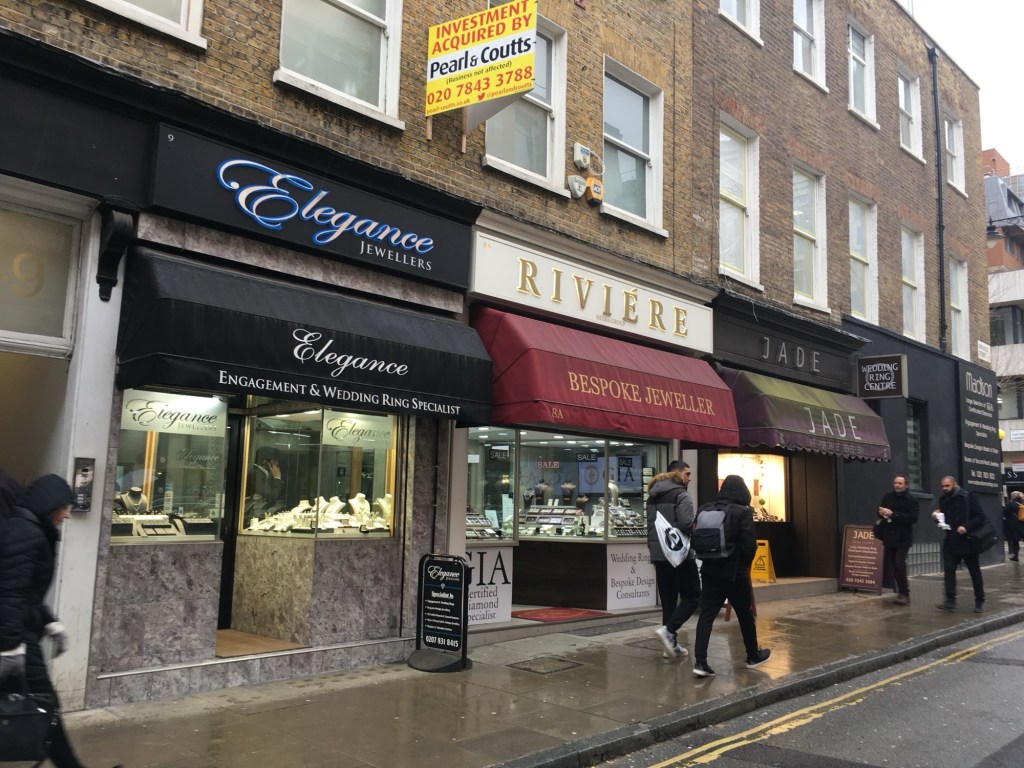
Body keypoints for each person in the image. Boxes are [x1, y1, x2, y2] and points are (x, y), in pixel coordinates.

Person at [0, 471, 123, 768]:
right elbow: (10, 594)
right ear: (49, 505)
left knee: (40, 707)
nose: (67, 514)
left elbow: (27, 594)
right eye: (64, 507)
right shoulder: (25, 532)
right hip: (17, 640)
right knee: (44, 706)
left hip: (21, 633)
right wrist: (10, 647)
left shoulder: (31, 528)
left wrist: (48, 621)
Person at [691, 475, 771, 677]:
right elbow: (749, 545)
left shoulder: (705, 508)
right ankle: (752, 655)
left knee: (707, 615)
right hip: (735, 573)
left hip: (709, 570)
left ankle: (700, 662)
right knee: (745, 614)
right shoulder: (742, 512)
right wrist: (744, 565)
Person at [645, 460, 700, 659]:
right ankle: (669, 631)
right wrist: (697, 524)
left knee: (668, 600)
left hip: (660, 555)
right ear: (677, 474)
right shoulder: (681, 495)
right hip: (679, 554)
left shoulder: (652, 496)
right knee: (693, 595)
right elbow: (686, 524)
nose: (689, 478)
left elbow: (651, 527)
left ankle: (670, 645)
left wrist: (654, 554)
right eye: (687, 473)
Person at [934, 475, 987, 613]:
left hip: (968, 541)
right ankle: (950, 601)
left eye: (947, 486)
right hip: (951, 541)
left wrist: (966, 527)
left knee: (974, 572)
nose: (944, 488)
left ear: (955, 484)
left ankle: (979, 600)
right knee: (949, 570)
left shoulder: (968, 496)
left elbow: (980, 516)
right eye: (943, 486)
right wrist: (937, 518)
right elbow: (943, 517)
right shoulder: (943, 499)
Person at [876, 475, 920, 604]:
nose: (897, 485)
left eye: (900, 483)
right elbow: (879, 510)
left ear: (906, 485)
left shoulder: (911, 500)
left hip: (903, 538)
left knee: (899, 563)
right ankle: (901, 591)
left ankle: (904, 593)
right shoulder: (888, 496)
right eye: (895, 483)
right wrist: (881, 512)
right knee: (893, 566)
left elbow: (913, 518)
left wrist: (893, 514)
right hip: (889, 536)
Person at [1001, 490, 1024, 562]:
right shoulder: (1021, 504)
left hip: (1014, 525)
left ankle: (1015, 557)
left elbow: (1005, 512)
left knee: (1015, 541)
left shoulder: (1011, 504)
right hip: (1022, 524)